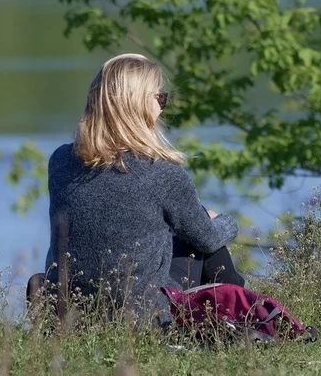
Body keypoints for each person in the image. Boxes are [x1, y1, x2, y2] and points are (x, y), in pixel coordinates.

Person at [38, 53, 244, 324]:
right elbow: (207, 239)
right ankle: (244, 314)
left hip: (72, 303)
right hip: (143, 314)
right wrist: (225, 222)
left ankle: (54, 303)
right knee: (207, 231)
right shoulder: (163, 173)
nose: (162, 107)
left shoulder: (61, 161)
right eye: (160, 98)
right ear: (138, 105)